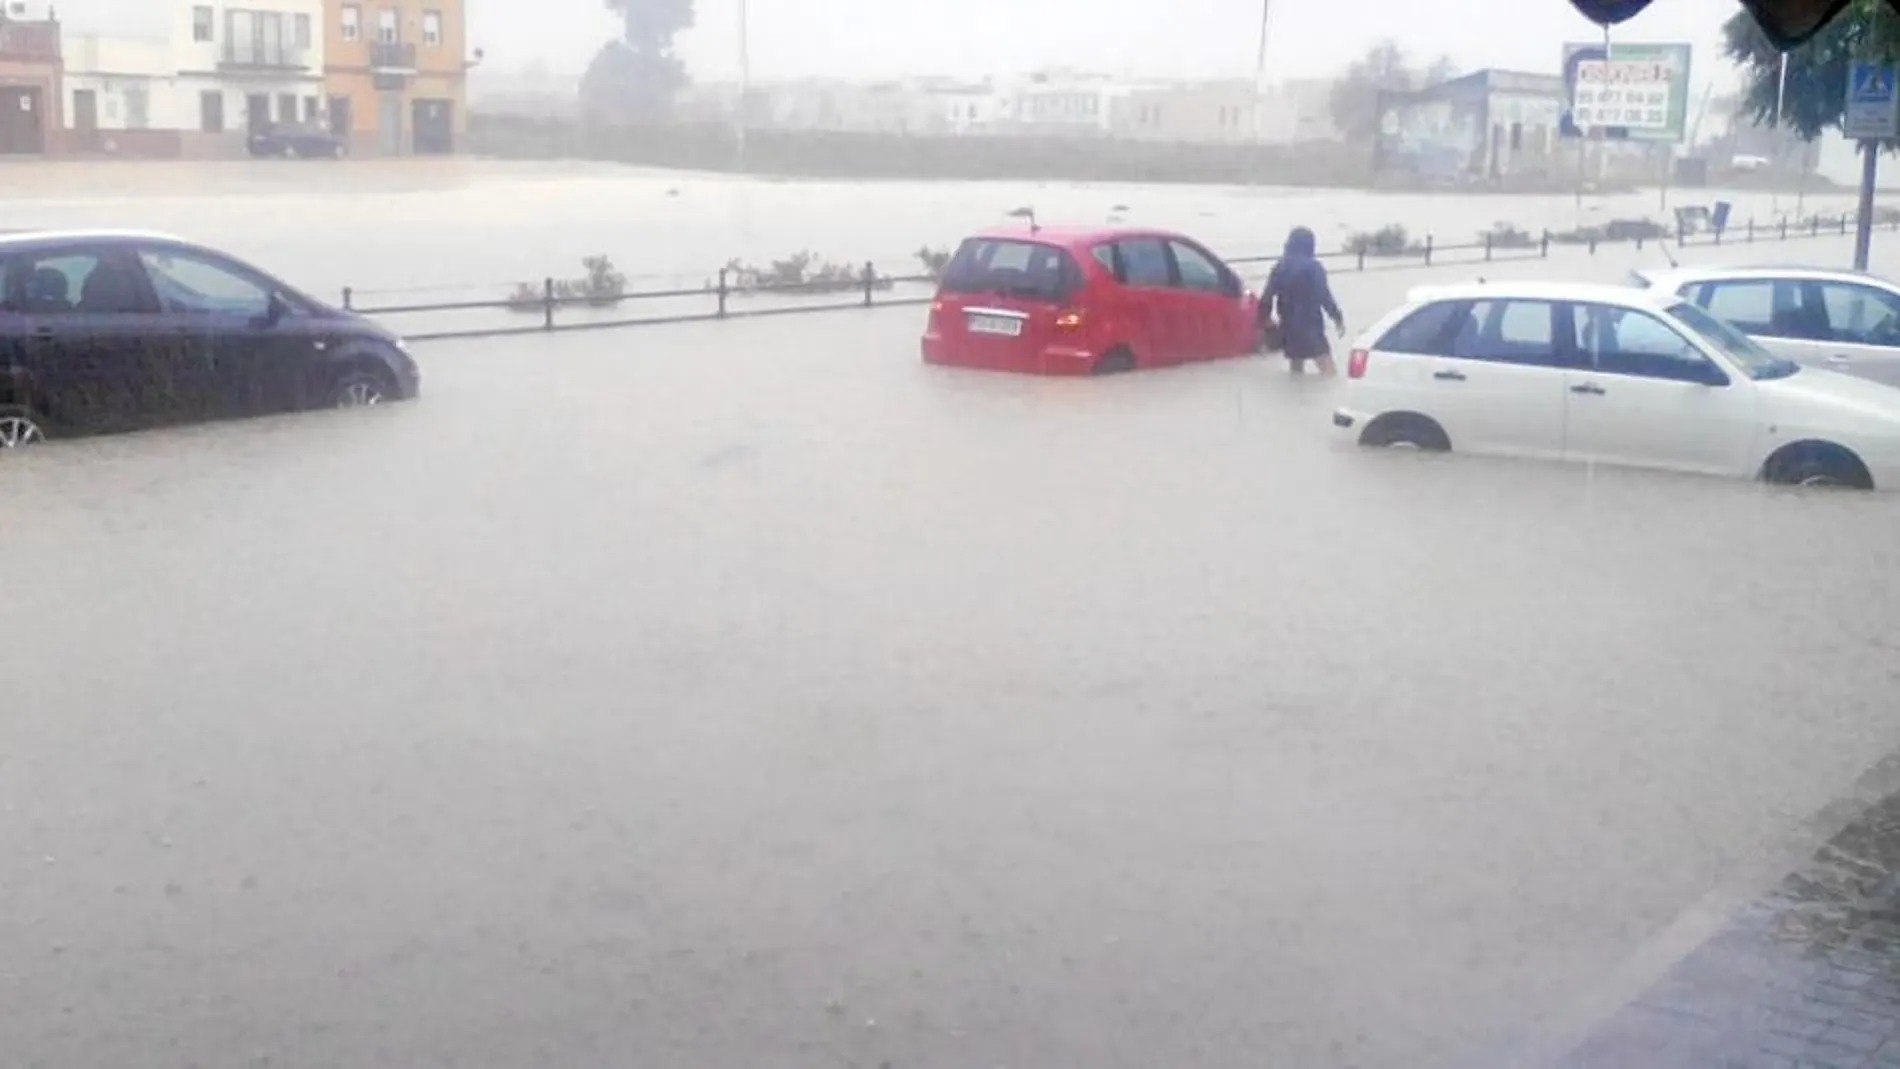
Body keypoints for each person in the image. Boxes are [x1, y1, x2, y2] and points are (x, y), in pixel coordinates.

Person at [1259, 226, 1345, 377]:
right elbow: (1325, 297)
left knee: (1296, 370)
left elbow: (1267, 298)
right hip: (1312, 327)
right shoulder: (1314, 268)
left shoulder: (1280, 267)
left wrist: (1262, 322)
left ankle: (1294, 398)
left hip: (1289, 327)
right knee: (1329, 373)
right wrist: (1337, 318)